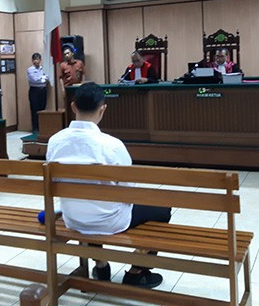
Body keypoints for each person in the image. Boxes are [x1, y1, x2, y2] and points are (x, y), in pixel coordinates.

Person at [46, 82, 171, 289]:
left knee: (91, 206)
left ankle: (101, 266)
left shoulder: (54, 141)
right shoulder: (112, 145)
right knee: (163, 209)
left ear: (73, 106)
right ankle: (136, 272)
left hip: (72, 218)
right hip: (111, 221)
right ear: (103, 109)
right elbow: (128, 190)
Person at [27, 53, 48, 132]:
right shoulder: (30, 70)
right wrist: (42, 78)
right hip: (34, 91)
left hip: (43, 90)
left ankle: (42, 127)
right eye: (35, 59)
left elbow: (47, 77)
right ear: (32, 61)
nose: (36, 61)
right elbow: (34, 80)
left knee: (42, 108)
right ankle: (35, 128)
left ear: (40, 60)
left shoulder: (44, 68)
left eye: (38, 59)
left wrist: (41, 78)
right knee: (34, 109)